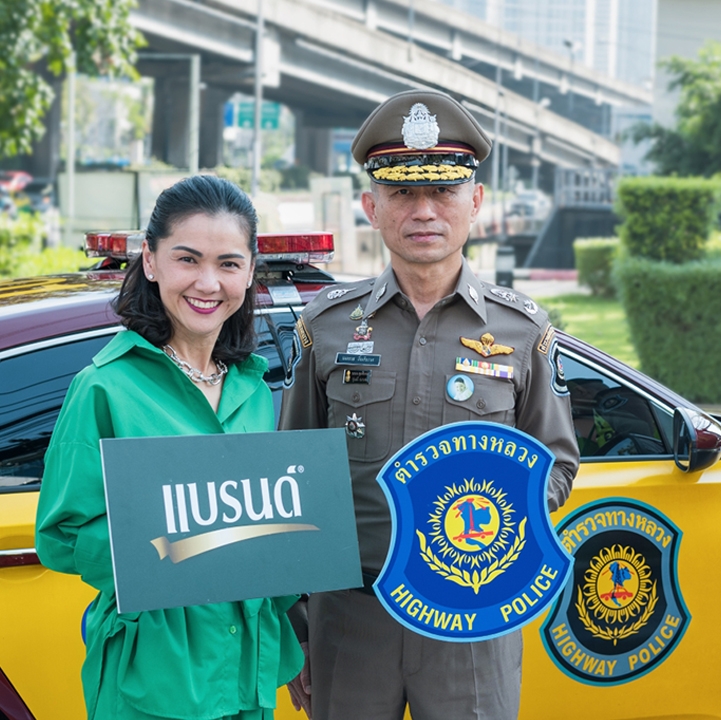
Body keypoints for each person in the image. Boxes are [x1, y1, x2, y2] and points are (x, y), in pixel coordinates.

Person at [278, 88, 579, 720]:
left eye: (442, 191)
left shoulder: (522, 331)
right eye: (403, 193)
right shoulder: (326, 326)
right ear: (372, 206)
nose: (424, 211)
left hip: (471, 616)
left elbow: (554, 462)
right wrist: (299, 626)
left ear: (475, 202)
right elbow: (293, 474)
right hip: (350, 616)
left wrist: (483, 526)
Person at [35, 175, 303, 719]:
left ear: (250, 273)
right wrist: (168, 554)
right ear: (151, 261)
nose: (208, 282)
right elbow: (61, 536)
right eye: (188, 259)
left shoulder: (254, 388)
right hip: (156, 671)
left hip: (247, 671)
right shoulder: (105, 387)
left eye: (228, 263)